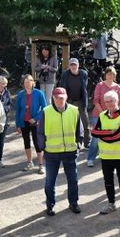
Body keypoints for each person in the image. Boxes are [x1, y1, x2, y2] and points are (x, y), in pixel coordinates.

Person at [39, 87, 82, 215]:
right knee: (50, 182)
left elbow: (79, 130)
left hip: (70, 152)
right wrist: (43, 147)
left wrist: (78, 145)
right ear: (53, 98)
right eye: (57, 98)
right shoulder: (46, 112)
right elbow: (40, 132)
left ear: (66, 97)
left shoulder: (74, 111)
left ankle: (73, 203)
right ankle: (50, 205)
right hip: (52, 153)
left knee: (73, 180)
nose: (59, 100)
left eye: (62, 98)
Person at [93, 90, 120, 224]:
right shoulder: (102, 115)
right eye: (106, 101)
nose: (109, 104)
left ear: (117, 101)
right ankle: (112, 204)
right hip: (105, 157)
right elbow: (94, 132)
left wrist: (103, 135)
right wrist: (109, 133)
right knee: (108, 182)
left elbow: (119, 136)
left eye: (111, 101)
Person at [87, 67, 120, 167]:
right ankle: (90, 158)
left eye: (112, 74)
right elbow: (96, 101)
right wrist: (103, 114)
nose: (110, 76)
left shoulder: (117, 87)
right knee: (96, 138)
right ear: (105, 75)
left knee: (110, 136)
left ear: (115, 75)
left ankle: (106, 156)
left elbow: (119, 102)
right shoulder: (100, 85)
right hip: (98, 114)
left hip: (113, 116)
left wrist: (115, 114)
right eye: (108, 74)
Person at [15, 74, 47, 173]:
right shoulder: (20, 94)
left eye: (29, 81)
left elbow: (44, 108)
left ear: (33, 82)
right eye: (25, 82)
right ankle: (29, 163)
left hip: (35, 122)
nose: (27, 84)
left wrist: (36, 118)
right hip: (23, 122)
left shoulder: (39, 93)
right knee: (26, 142)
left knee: (37, 143)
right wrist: (18, 125)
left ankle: (41, 165)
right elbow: (18, 110)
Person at [59, 58, 90, 150]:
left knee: (85, 123)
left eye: (75, 65)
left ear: (78, 65)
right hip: (70, 102)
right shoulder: (65, 75)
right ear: (69, 66)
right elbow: (62, 87)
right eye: (71, 65)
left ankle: (87, 142)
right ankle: (76, 142)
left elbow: (85, 87)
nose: (73, 66)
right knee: (71, 124)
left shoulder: (83, 74)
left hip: (81, 101)